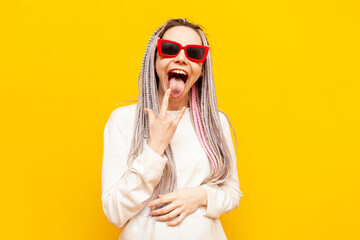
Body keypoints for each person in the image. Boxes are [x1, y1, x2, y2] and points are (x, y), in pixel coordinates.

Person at [101, 18, 243, 240]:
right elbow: (114, 212)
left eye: (194, 53)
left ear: (203, 68)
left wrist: (200, 195)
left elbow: (232, 192)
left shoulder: (216, 122)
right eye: (169, 49)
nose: (181, 58)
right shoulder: (123, 120)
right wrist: (155, 148)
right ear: (154, 59)